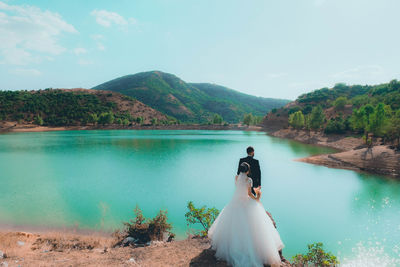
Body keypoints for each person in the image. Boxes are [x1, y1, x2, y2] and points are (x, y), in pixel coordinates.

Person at [208, 162, 284, 267]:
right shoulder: (249, 180)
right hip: (245, 202)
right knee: (255, 224)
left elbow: (239, 189)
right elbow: (248, 194)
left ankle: (232, 247)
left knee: (232, 226)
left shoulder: (236, 178)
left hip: (235, 202)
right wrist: (257, 197)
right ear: (248, 171)